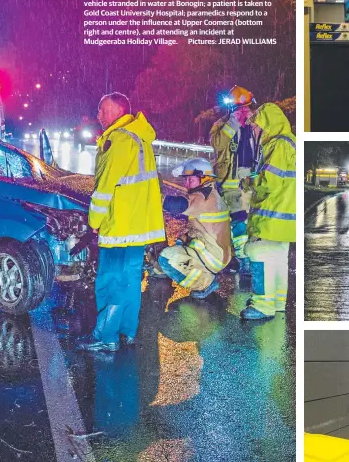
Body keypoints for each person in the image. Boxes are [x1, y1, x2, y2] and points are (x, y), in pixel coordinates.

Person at [77, 92, 165, 353]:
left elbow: (105, 188)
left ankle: (106, 336)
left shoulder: (116, 140)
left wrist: (94, 220)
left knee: (110, 282)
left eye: (102, 110)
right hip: (138, 227)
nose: (98, 116)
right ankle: (127, 331)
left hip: (119, 227)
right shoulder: (140, 137)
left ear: (117, 111)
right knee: (129, 282)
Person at [241, 103, 296, 320]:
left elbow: (268, 182)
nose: (254, 132)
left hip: (272, 215)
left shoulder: (278, 145)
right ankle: (277, 301)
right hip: (285, 218)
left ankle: (263, 304)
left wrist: (247, 182)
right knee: (278, 259)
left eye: (256, 127)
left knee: (259, 253)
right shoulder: (291, 142)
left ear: (266, 126)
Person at [156, 158, 232, 299]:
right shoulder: (212, 194)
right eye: (186, 180)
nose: (186, 184)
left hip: (212, 257)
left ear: (204, 178)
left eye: (191, 180)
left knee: (166, 258)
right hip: (217, 252)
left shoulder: (203, 197)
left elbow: (178, 205)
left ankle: (205, 283)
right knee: (179, 243)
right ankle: (201, 273)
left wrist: (153, 197)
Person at [210, 85, 257, 271]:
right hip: (229, 182)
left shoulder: (257, 123)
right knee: (235, 221)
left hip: (251, 181)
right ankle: (240, 260)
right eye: (238, 108)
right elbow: (217, 144)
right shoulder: (222, 124)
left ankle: (247, 258)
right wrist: (233, 124)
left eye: (244, 107)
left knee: (249, 222)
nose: (241, 111)